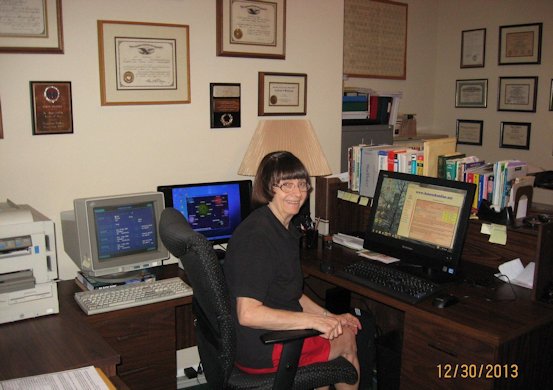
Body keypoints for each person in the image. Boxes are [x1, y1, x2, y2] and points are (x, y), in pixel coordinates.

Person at [224, 151, 361, 389]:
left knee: (340, 329)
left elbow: (291, 293)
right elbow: (248, 314)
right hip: (263, 348)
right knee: (347, 338)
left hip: (269, 337)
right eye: (286, 185)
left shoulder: (279, 226)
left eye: (301, 184)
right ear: (269, 188)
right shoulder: (257, 238)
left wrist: (330, 318)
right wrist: (315, 322)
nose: (297, 193)